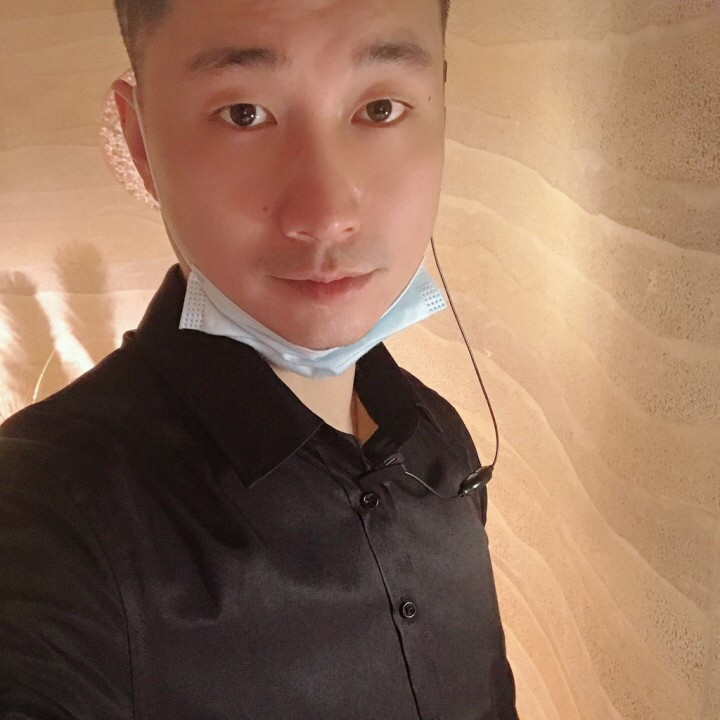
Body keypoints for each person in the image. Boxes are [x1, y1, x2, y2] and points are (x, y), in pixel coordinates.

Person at [0, 0, 518, 717]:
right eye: (244, 113)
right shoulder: (52, 512)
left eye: (380, 109)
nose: (326, 213)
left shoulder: (441, 442)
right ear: (141, 141)